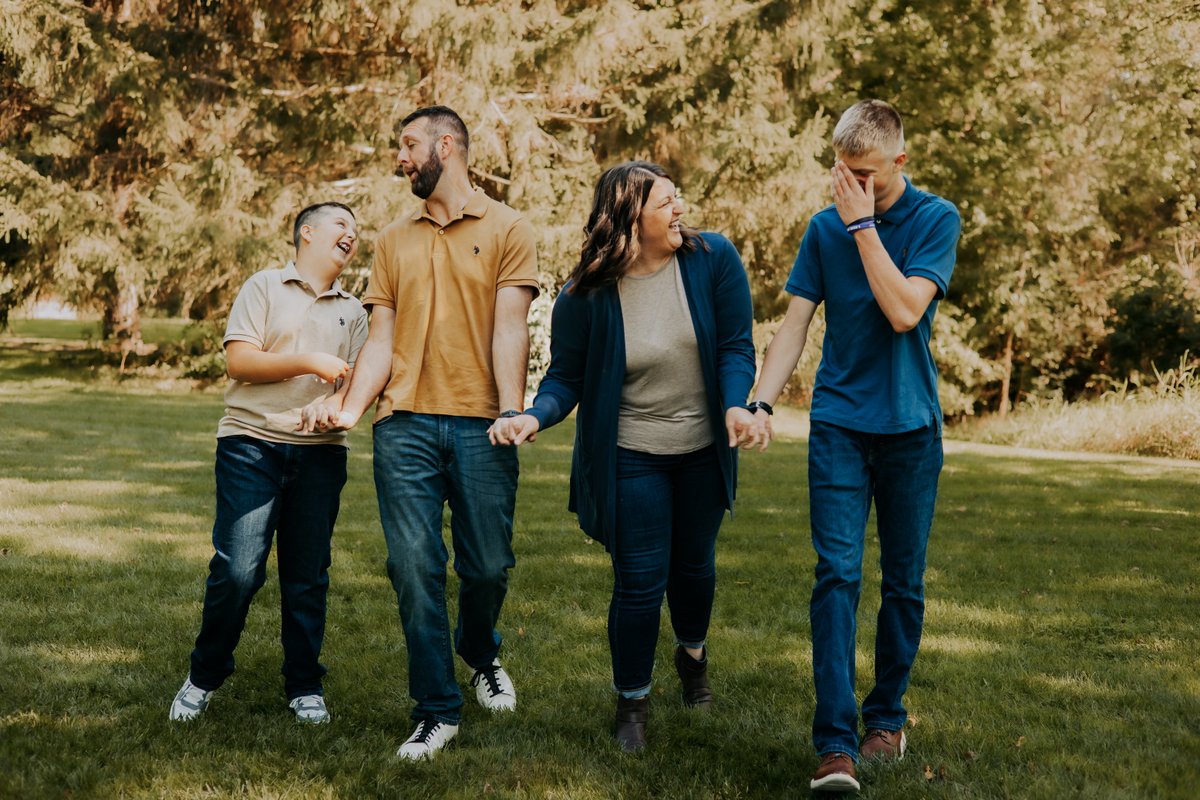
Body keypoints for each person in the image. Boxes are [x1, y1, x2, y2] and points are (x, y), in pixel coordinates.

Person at [489, 161, 766, 752]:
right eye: (666, 202)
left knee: (694, 568)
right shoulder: (586, 293)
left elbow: (736, 347)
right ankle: (632, 701)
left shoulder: (712, 259)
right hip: (631, 453)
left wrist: (735, 404)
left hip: (702, 449)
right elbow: (566, 377)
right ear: (629, 219)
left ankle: (693, 657)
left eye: (676, 197)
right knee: (639, 582)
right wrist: (533, 415)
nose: (680, 209)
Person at [299, 106, 539, 760]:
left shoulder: (509, 227)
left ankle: (479, 651)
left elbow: (510, 327)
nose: (400, 158)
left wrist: (510, 410)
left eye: (409, 145)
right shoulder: (393, 240)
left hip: (482, 423)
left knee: (488, 566)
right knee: (413, 565)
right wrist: (352, 407)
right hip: (403, 424)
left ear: (447, 145)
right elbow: (381, 339)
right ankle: (437, 709)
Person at [751, 100, 961, 792]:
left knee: (903, 582)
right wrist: (761, 402)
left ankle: (886, 721)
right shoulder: (823, 229)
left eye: (864, 174)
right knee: (836, 575)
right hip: (840, 424)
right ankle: (836, 743)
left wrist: (864, 228)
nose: (849, 185)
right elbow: (795, 325)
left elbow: (904, 311)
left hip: (910, 429)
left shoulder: (936, 219)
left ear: (900, 161)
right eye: (842, 170)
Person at [169, 202, 368, 725]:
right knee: (237, 570)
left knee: (308, 575)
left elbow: (356, 382)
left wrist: (337, 406)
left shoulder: (355, 310)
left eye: (356, 230)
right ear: (307, 233)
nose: (352, 234)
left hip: (322, 455)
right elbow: (239, 361)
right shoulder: (264, 286)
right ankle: (204, 675)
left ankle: (304, 685)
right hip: (251, 445)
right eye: (341, 224)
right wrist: (308, 361)